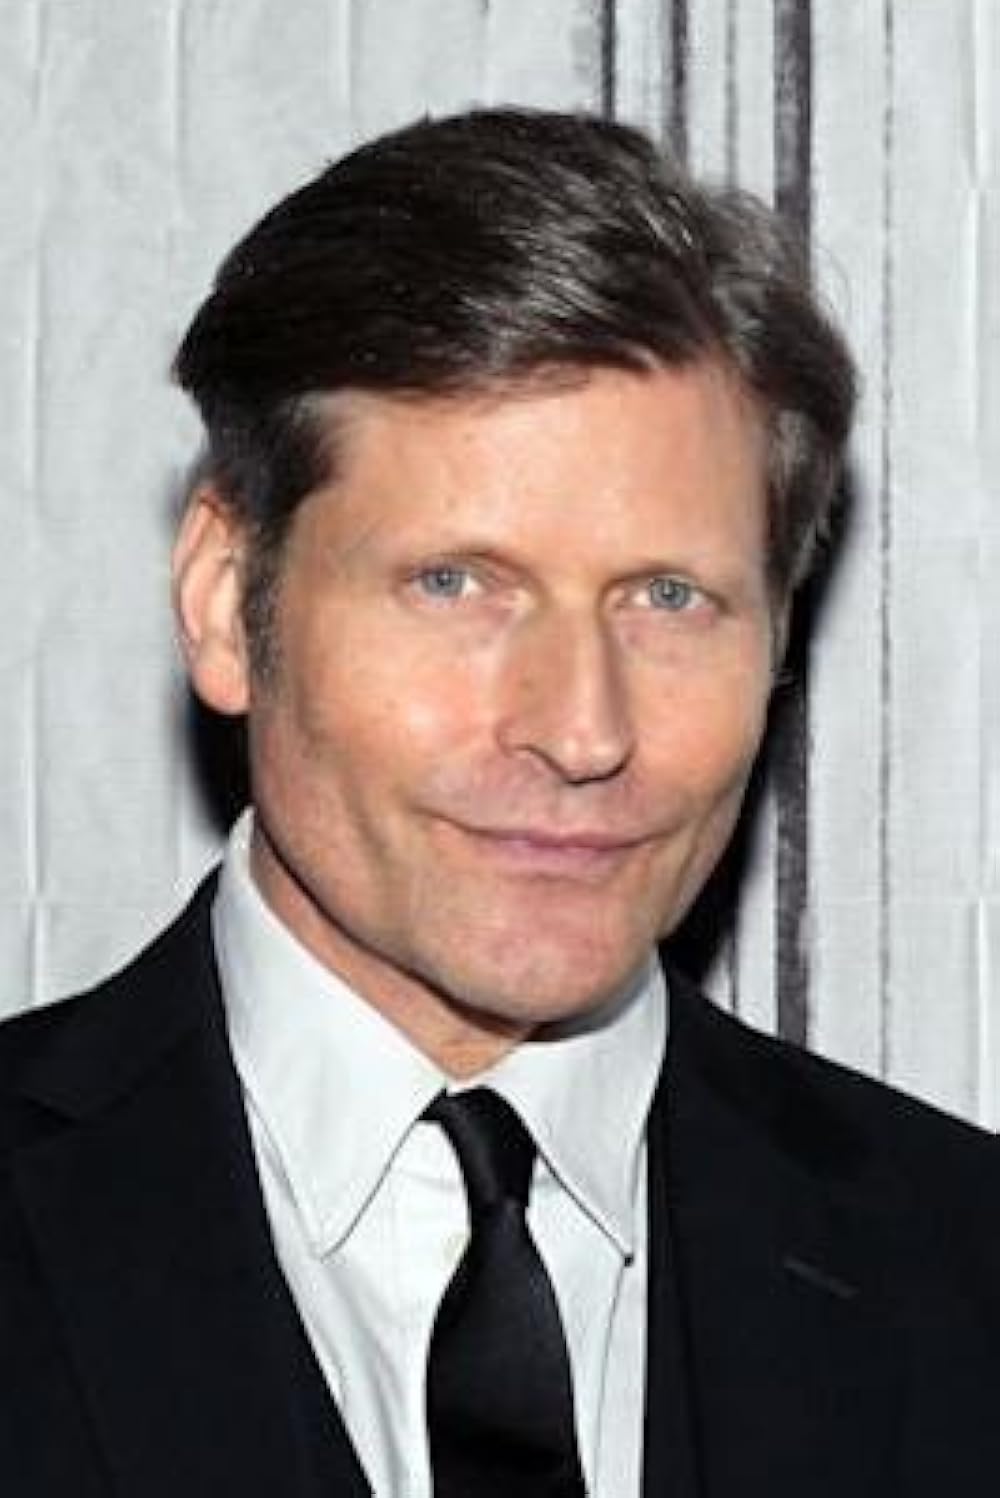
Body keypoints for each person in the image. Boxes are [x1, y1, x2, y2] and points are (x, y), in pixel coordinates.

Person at [1, 108, 997, 1498]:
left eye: (669, 598)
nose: (582, 730)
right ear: (228, 601)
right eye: (457, 584)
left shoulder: (965, 1274)